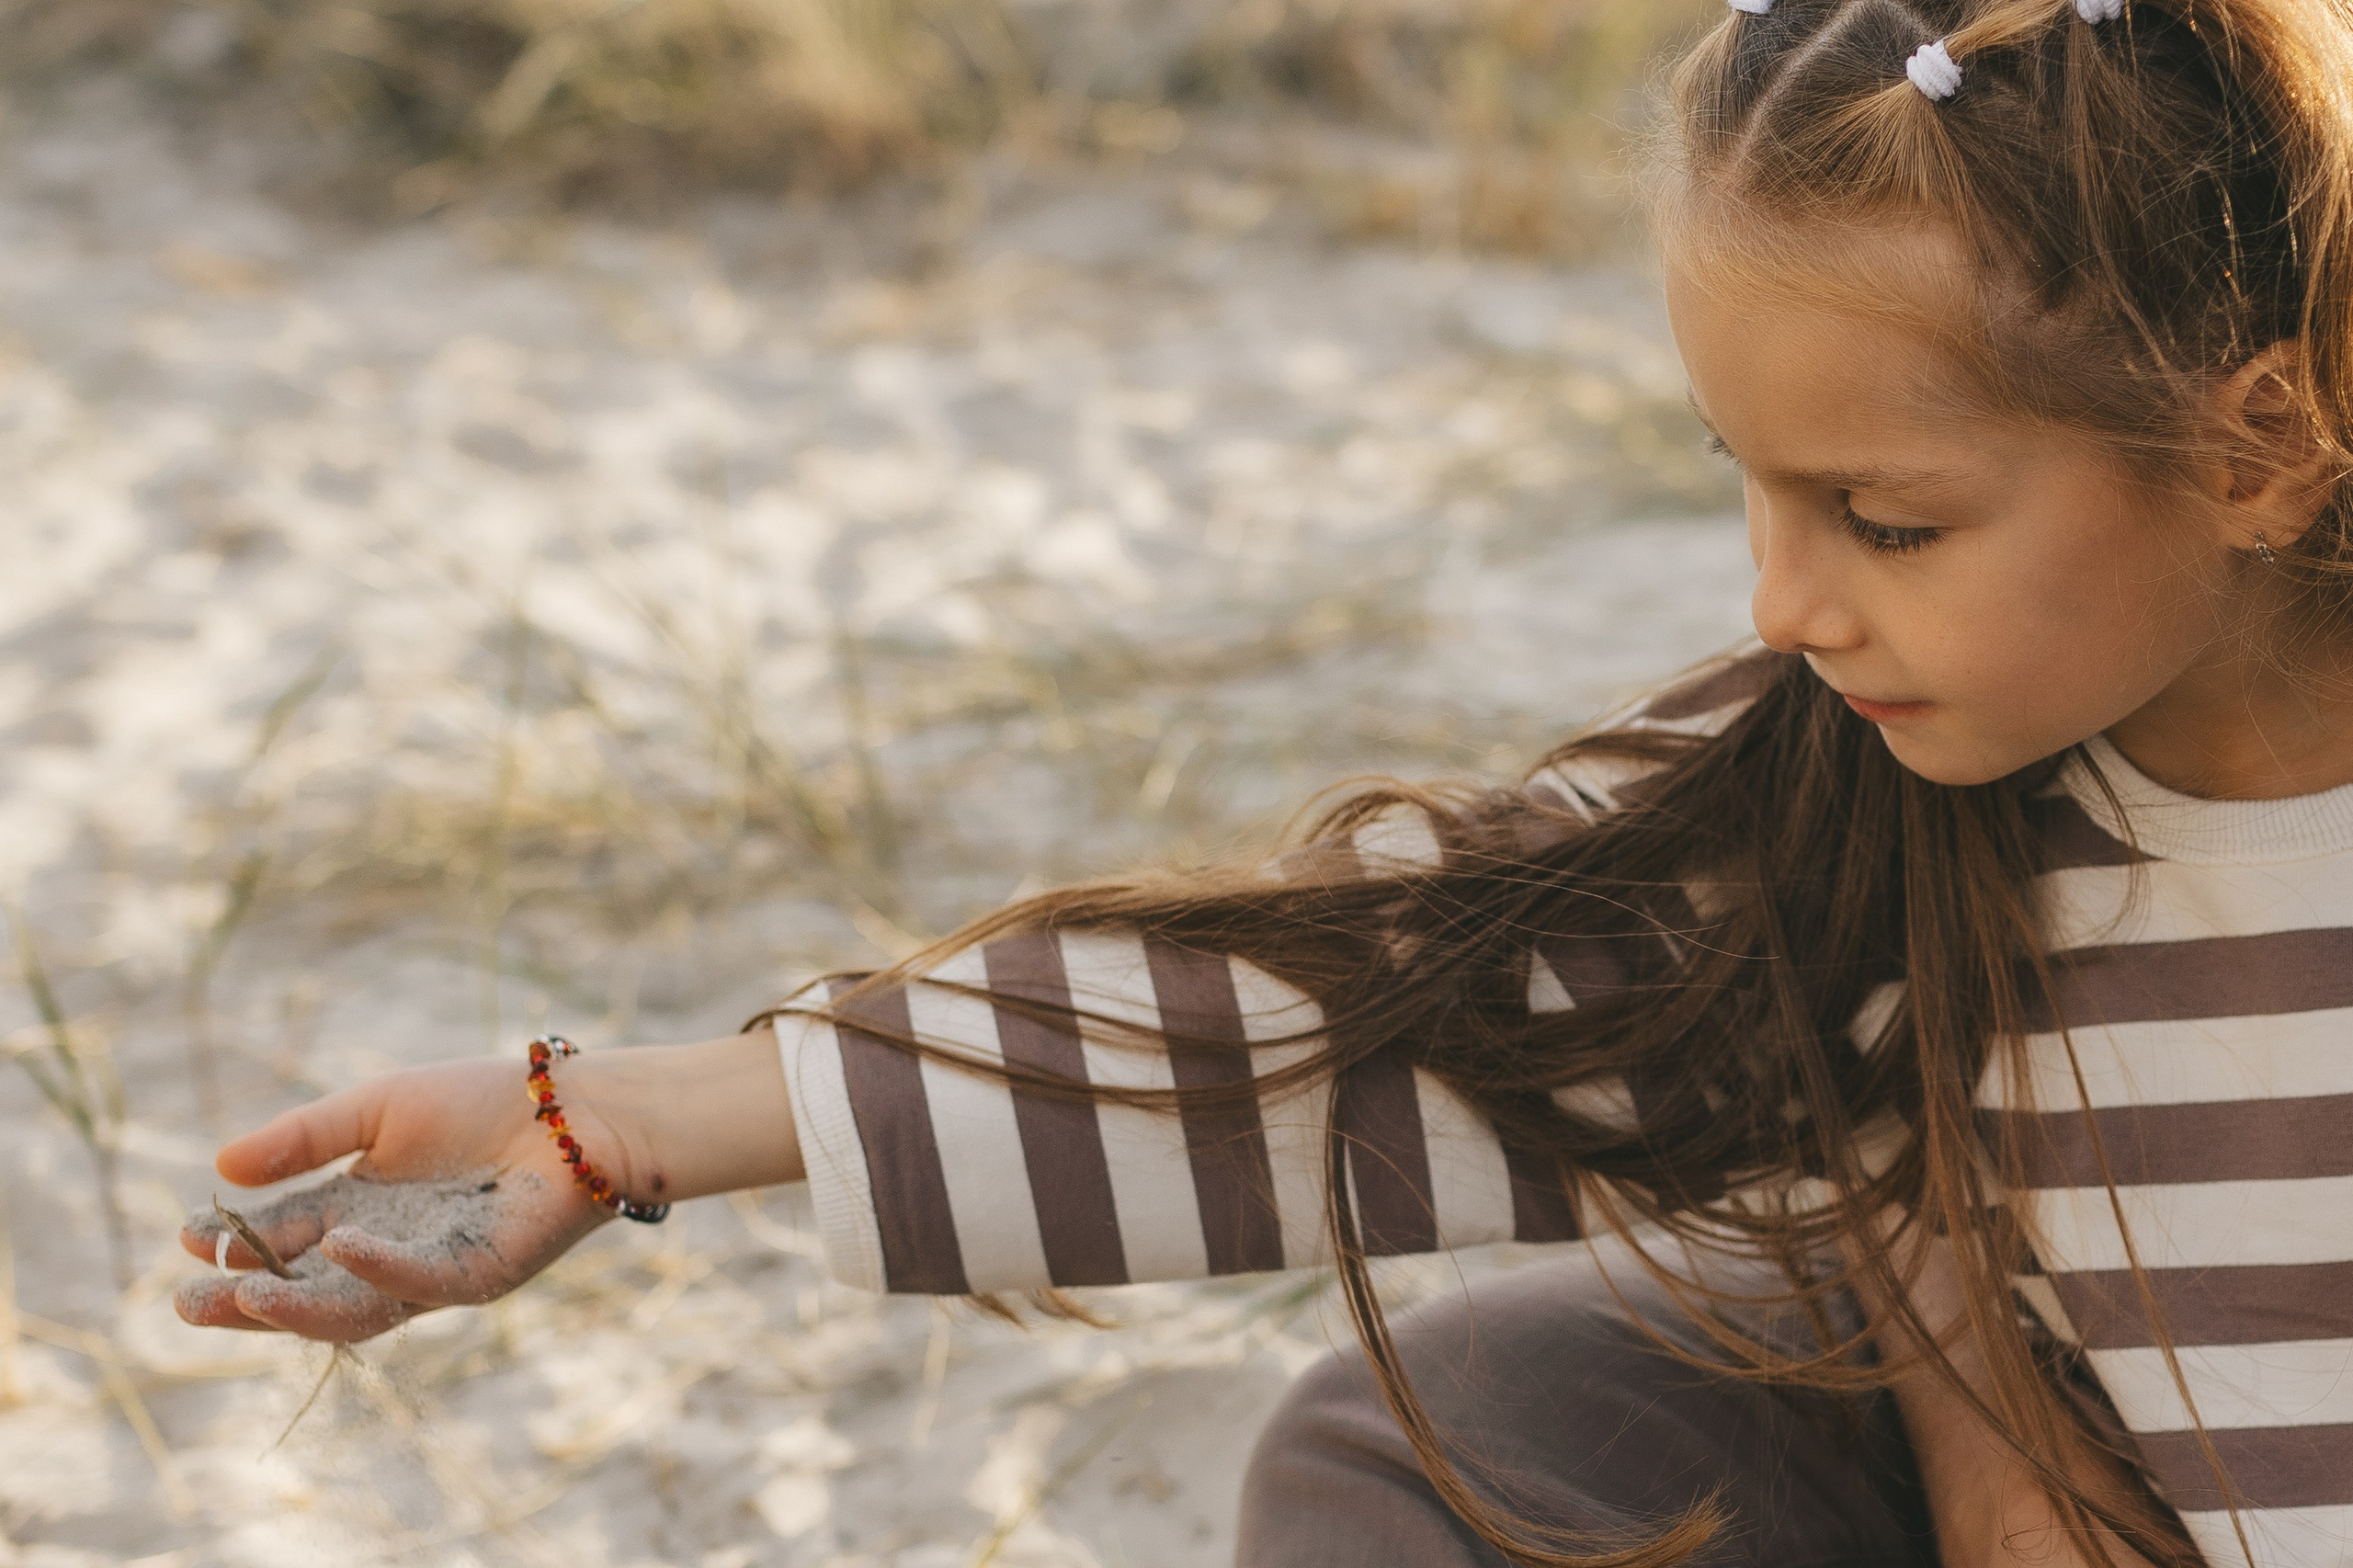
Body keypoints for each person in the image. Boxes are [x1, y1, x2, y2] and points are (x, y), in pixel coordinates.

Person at [175, 1, 2353, 1563]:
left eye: (1882, 520)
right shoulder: (1886, 782)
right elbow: (1370, 1002)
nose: (1781, 606)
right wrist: (628, 1115)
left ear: (2255, 451)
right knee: (1456, 1442)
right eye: (1745, 489)